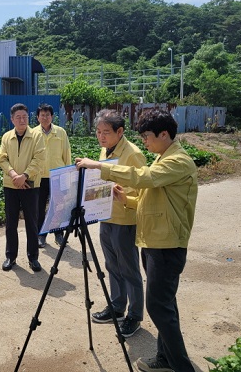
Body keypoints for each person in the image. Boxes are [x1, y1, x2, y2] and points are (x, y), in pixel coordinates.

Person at [75, 109, 197, 372]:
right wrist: (126, 200)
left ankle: (181, 366)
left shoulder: (177, 161)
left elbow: (145, 179)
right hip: (155, 240)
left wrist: (99, 168)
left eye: (148, 137)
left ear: (164, 134)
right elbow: (148, 196)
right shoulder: (163, 156)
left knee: (158, 306)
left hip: (167, 243)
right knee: (165, 305)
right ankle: (165, 358)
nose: (145, 142)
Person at [85, 110, 146, 339]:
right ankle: (117, 306)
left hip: (124, 219)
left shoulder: (133, 154)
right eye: (98, 132)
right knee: (112, 265)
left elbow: (142, 191)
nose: (101, 137)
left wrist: (124, 195)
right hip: (106, 216)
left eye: (106, 133)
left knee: (129, 269)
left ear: (120, 132)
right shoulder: (105, 150)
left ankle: (135, 315)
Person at [0, 103, 46, 272]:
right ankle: (10, 256)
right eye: (18, 117)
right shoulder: (6, 137)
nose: (21, 120)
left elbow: (39, 158)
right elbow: (2, 158)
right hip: (11, 185)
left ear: (28, 118)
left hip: (30, 185)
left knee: (31, 223)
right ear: (12, 119)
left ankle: (33, 258)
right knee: (11, 223)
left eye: (24, 117)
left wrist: (24, 176)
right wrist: (13, 176)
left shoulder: (37, 136)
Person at [32, 104, 71, 247]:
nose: (45, 117)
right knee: (39, 207)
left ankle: (59, 234)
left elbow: (66, 154)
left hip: (58, 175)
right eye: (42, 115)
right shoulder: (33, 133)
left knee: (58, 207)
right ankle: (41, 235)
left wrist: (67, 173)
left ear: (52, 117)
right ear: (37, 117)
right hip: (39, 176)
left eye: (47, 115)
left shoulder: (61, 132)